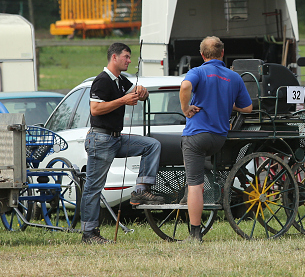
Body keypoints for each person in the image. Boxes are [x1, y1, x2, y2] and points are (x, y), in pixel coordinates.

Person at [81, 43, 164, 244]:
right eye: (126, 57)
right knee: (94, 187)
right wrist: (123, 101)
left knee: (151, 145)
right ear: (114, 57)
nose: (129, 60)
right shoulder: (102, 80)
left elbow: (135, 93)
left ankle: (141, 190)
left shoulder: (121, 80)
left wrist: (142, 93)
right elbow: (96, 109)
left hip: (116, 138)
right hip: (100, 139)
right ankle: (89, 233)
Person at [180, 36, 253, 242]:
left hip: (196, 135)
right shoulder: (234, 77)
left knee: (195, 184)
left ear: (202, 55)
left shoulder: (198, 72)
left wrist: (186, 109)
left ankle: (195, 233)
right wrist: (227, 104)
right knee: (198, 176)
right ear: (222, 53)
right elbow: (247, 108)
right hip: (219, 138)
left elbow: (185, 87)